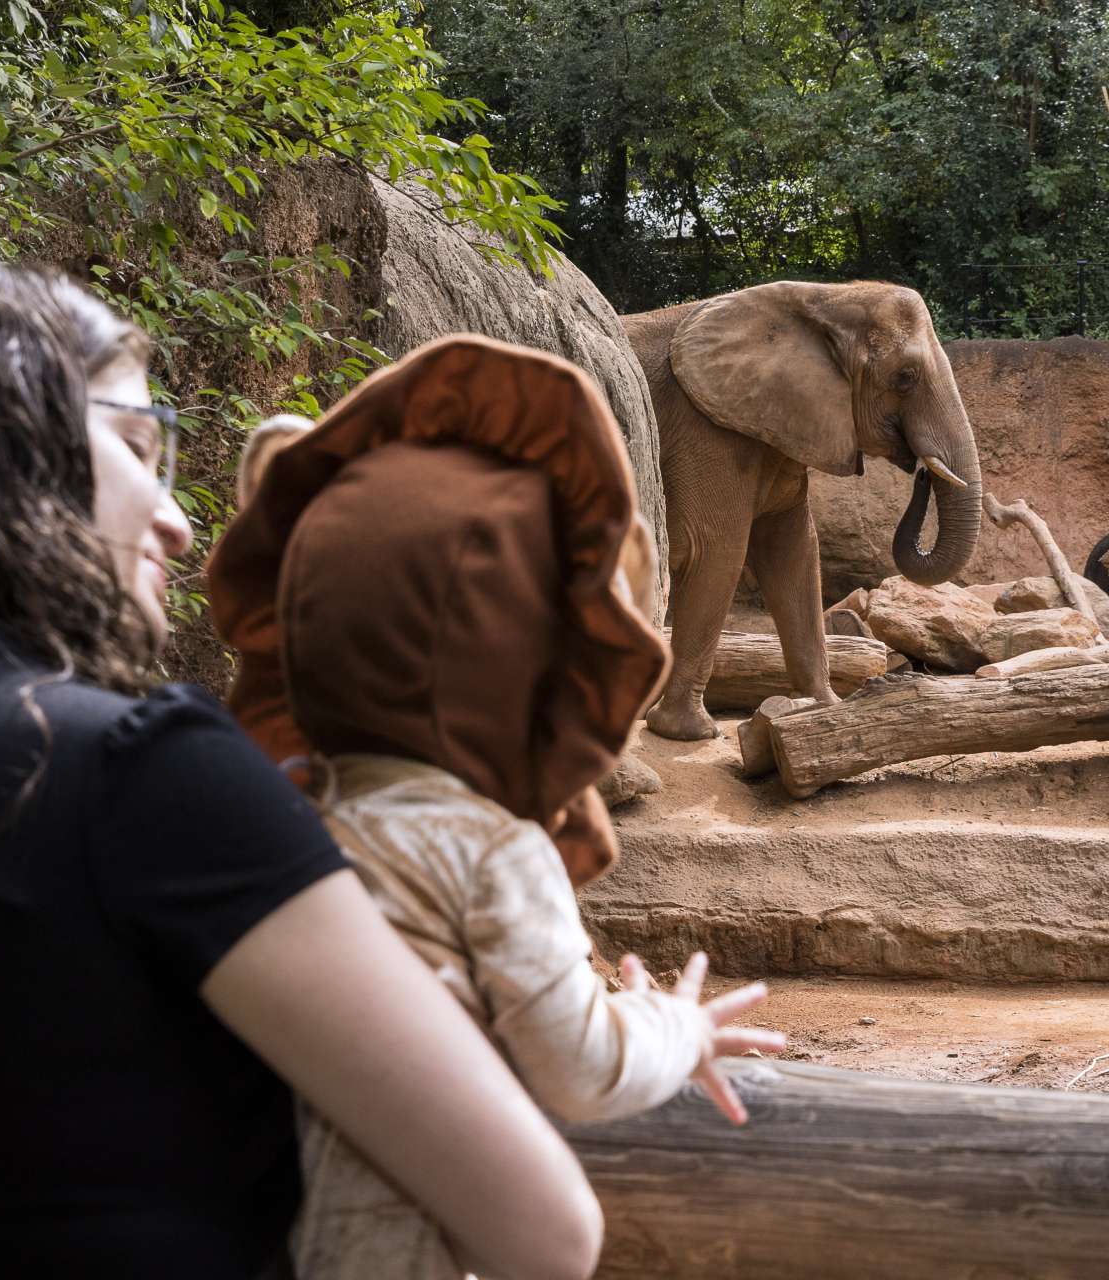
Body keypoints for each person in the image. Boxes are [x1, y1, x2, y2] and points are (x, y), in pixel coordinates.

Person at [0, 256, 606, 1280]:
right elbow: (547, 1226)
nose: (180, 520)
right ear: (2, 438)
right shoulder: (139, 774)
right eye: (142, 445)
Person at [210, 335, 786, 1279]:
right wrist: (675, 1029)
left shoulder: (268, 815)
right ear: (535, 666)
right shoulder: (483, 848)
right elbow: (579, 1065)